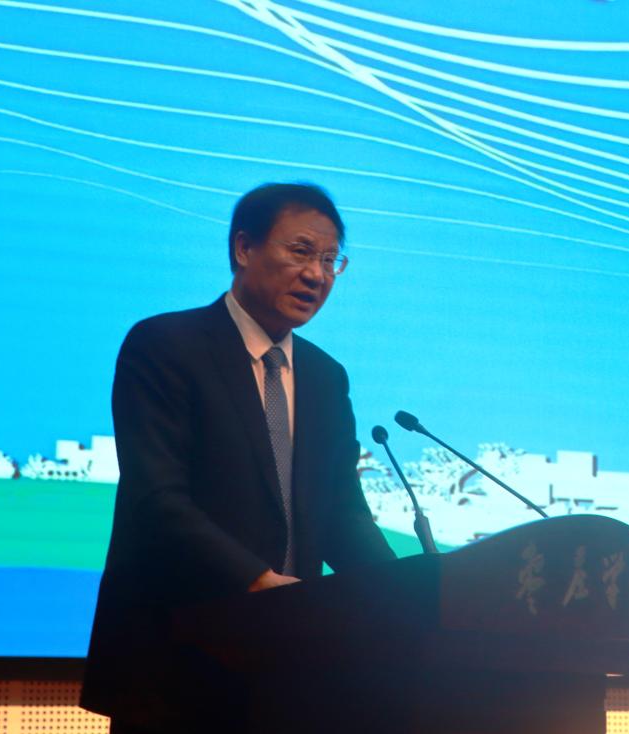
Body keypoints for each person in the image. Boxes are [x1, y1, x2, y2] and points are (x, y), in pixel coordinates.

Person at [80, 183, 396, 733]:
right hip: (177, 662)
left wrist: (410, 597)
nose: (317, 275)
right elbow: (157, 501)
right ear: (244, 248)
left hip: (289, 668)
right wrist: (259, 583)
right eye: (301, 252)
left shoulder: (325, 377)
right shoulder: (166, 346)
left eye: (330, 261)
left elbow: (342, 516)